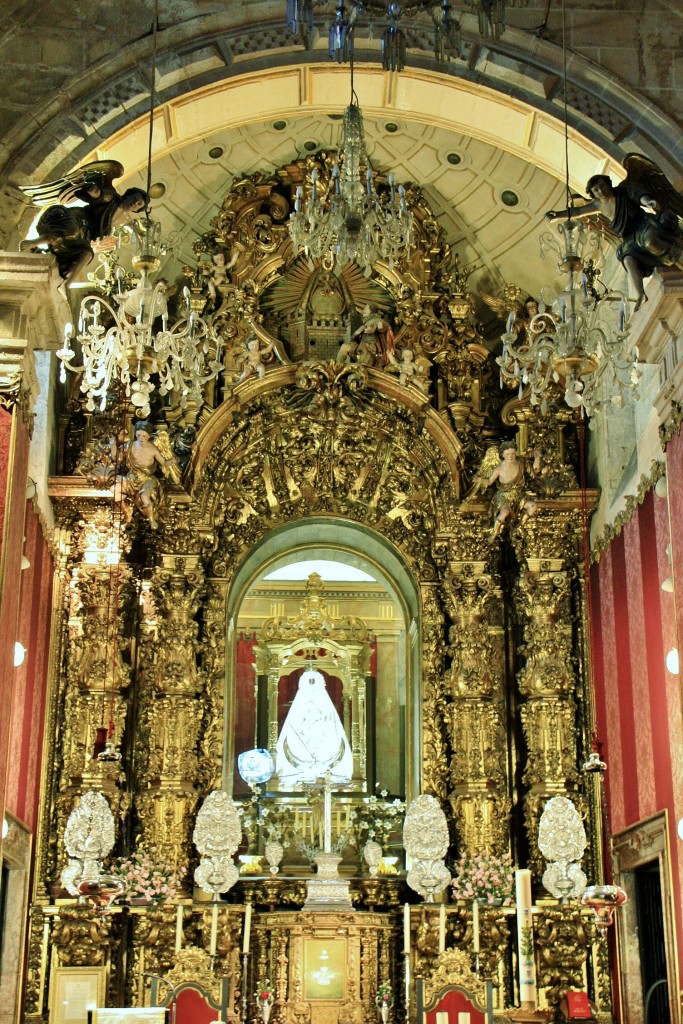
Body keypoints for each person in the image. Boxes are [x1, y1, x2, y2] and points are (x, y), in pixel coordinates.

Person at [547, 175, 682, 310]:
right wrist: (558, 215)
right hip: (629, 237)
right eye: (596, 190)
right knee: (628, 259)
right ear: (593, 194)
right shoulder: (598, 205)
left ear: (608, 184)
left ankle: (675, 254)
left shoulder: (622, 192)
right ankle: (640, 294)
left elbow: (638, 195)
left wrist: (648, 201)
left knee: (650, 242)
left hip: (643, 224)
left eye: (602, 186)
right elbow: (578, 211)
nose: (601, 191)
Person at [21, 187, 148, 287]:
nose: (135, 203)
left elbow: (136, 230)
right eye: (135, 198)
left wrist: (144, 237)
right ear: (129, 194)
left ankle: (66, 284)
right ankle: (34, 242)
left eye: (139, 204)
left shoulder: (126, 219)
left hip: (86, 233)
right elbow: (101, 195)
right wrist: (96, 193)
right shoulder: (112, 198)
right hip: (79, 218)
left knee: (87, 254)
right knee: (71, 232)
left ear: (138, 209)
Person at [275, 669, 353, 787]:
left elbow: (332, 731)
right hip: (300, 754)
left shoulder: (327, 714)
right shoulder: (298, 711)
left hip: (324, 748)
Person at [115, 421, 179, 530]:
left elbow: (163, 463)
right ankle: (127, 511)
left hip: (147, 479)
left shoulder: (153, 449)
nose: (141, 438)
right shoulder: (130, 445)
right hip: (132, 478)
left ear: (149, 436)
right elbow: (117, 458)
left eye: (144, 436)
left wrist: (172, 461)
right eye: (138, 435)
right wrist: (114, 443)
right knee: (114, 489)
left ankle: (152, 520)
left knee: (145, 496)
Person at [475, 441, 541, 542]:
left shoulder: (521, 463)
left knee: (533, 506)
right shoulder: (499, 469)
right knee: (504, 512)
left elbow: (534, 472)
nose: (511, 456)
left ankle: (519, 526)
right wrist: (480, 480)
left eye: (513, 454)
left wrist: (537, 458)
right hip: (503, 496)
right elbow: (489, 482)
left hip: (518, 495)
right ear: (502, 455)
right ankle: (494, 533)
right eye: (508, 454)